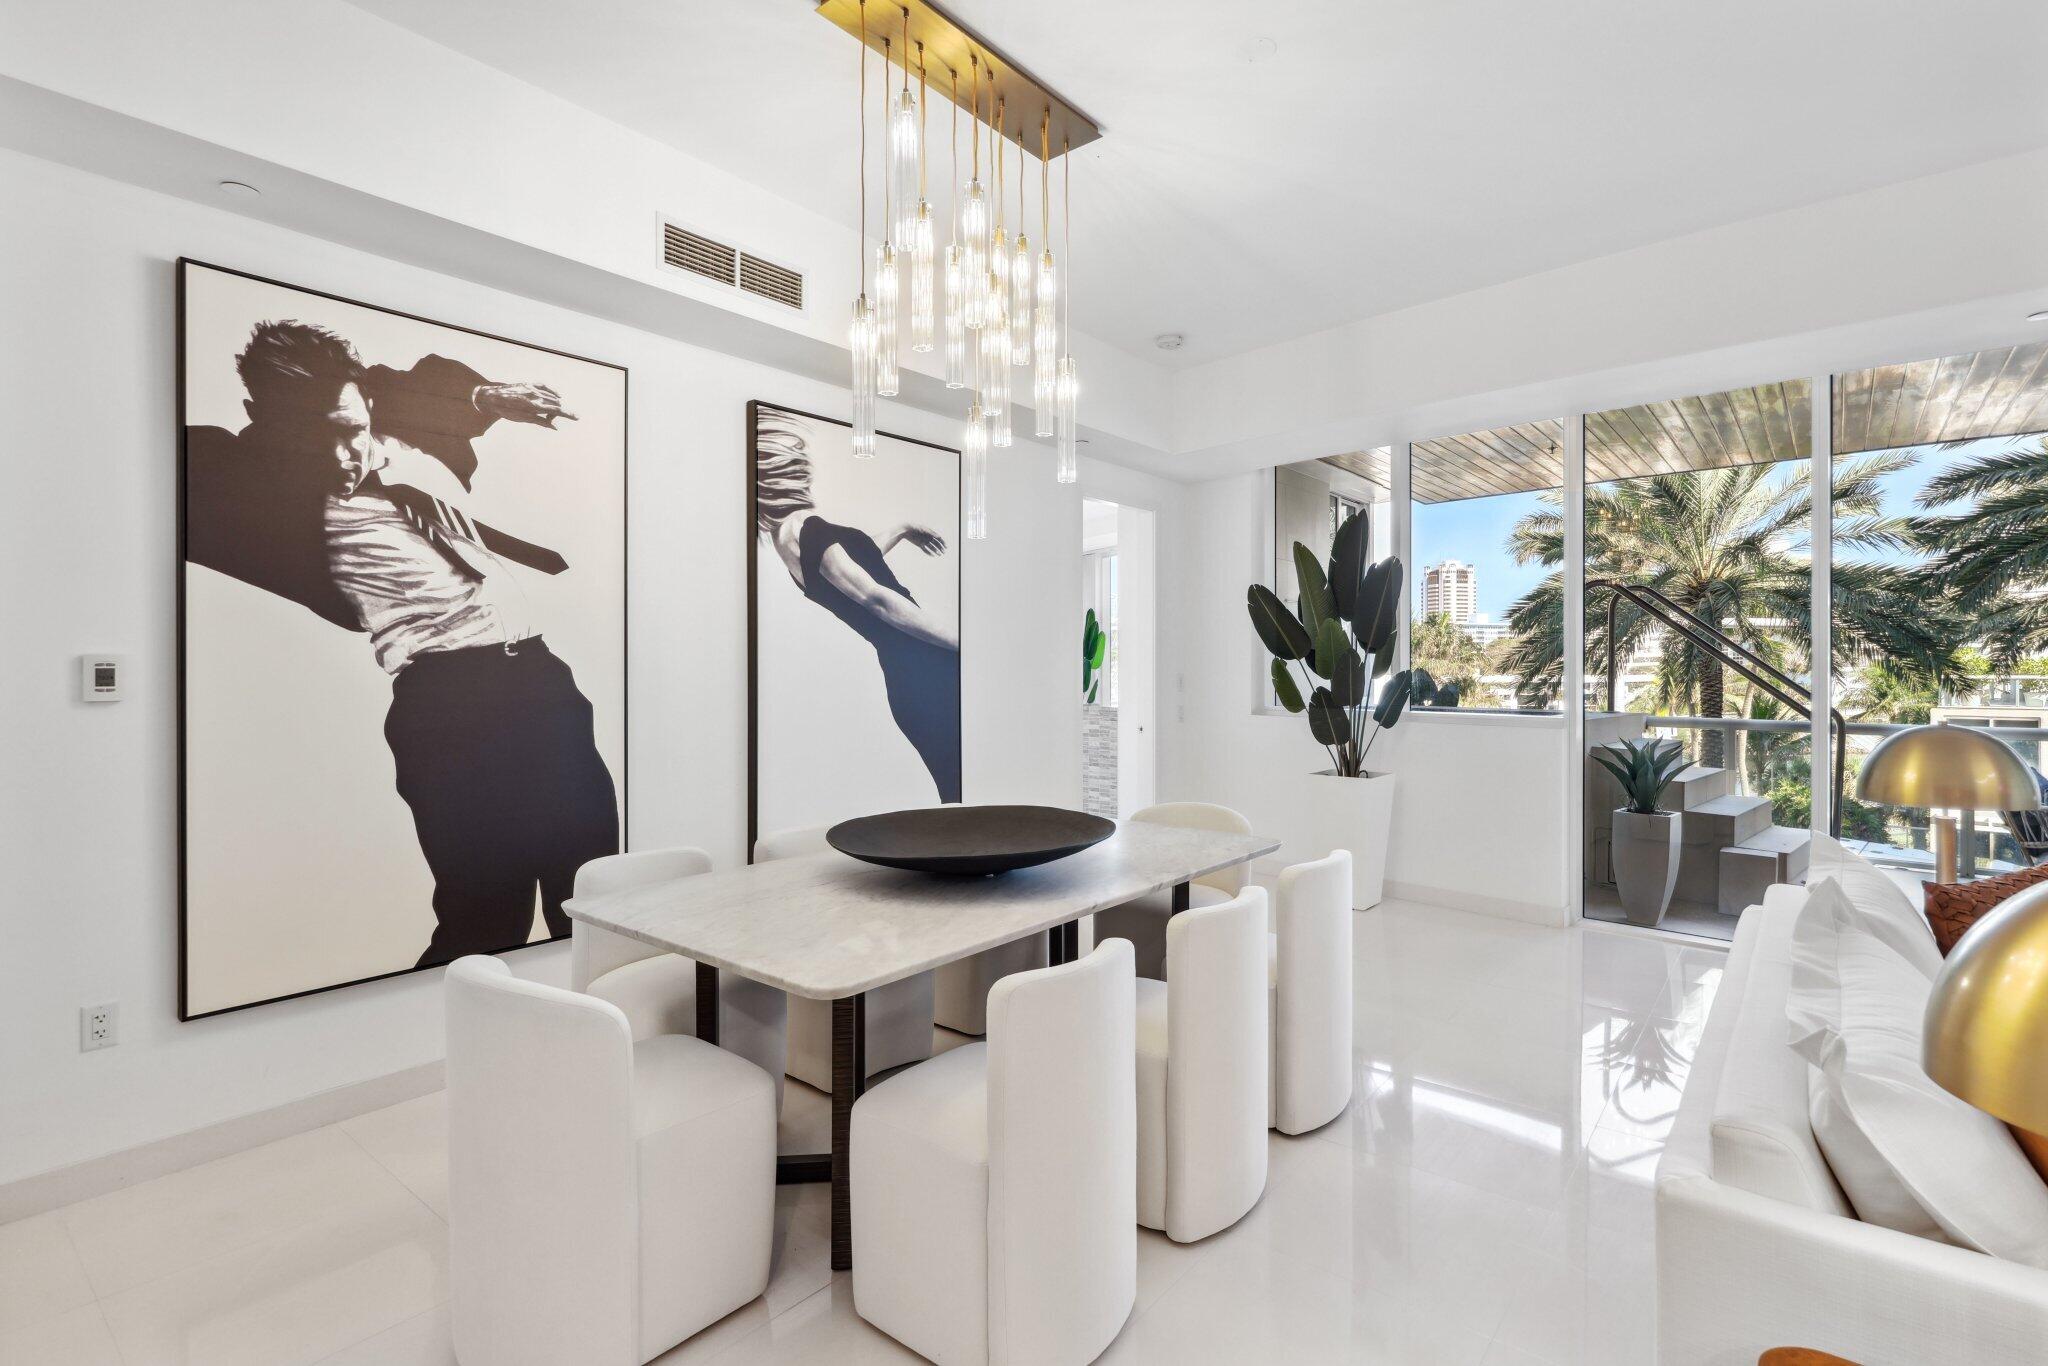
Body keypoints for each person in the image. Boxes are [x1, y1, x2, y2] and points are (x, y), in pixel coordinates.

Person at [185, 320, 618, 965]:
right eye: (314, 439)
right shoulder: (245, 483)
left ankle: (604, 1039)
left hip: (543, 686)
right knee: (485, 918)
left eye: (351, 430)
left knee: (592, 902)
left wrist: (486, 399)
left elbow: (399, 385)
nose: (343, 457)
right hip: (447, 707)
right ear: (264, 425)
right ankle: (453, 1051)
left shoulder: (397, 443)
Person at [754, 414, 962, 801]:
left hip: (908, 675)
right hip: (924, 666)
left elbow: (856, 566)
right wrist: (965, 646)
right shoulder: (808, 528)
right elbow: (876, 599)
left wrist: (900, 530)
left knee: (956, 788)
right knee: (964, 786)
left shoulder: (789, 542)